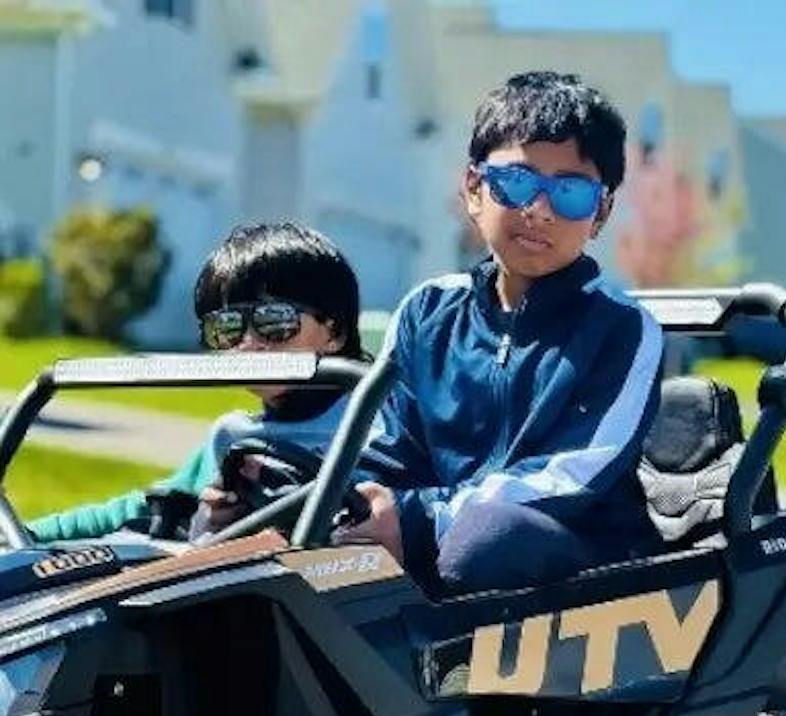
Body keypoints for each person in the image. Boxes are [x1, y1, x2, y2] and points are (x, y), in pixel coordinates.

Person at [339, 71, 663, 593]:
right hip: (430, 539)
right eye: (516, 182)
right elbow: (384, 448)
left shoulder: (623, 328)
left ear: (601, 212)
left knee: (486, 536)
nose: (538, 210)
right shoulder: (427, 310)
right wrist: (359, 502)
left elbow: (572, 478)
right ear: (474, 189)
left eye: (571, 193)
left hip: (576, 557)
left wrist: (422, 518)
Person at [30, 222, 365, 542]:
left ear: (334, 332)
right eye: (228, 327)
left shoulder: (381, 425)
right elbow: (144, 509)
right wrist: (26, 536)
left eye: (274, 321)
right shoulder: (233, 439)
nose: (249, 343)